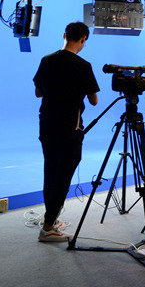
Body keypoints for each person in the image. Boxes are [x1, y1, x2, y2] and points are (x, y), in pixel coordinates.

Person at [33, 22, 99, 242]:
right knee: (63, 176)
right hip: (70, 127)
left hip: (47, 124)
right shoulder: (84, 65)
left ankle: (50, 219)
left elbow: (38, 92)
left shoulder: (47, 60)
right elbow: (94, 100)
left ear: (64, 35)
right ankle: (48, 227)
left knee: (50, 171)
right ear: (83, 40)